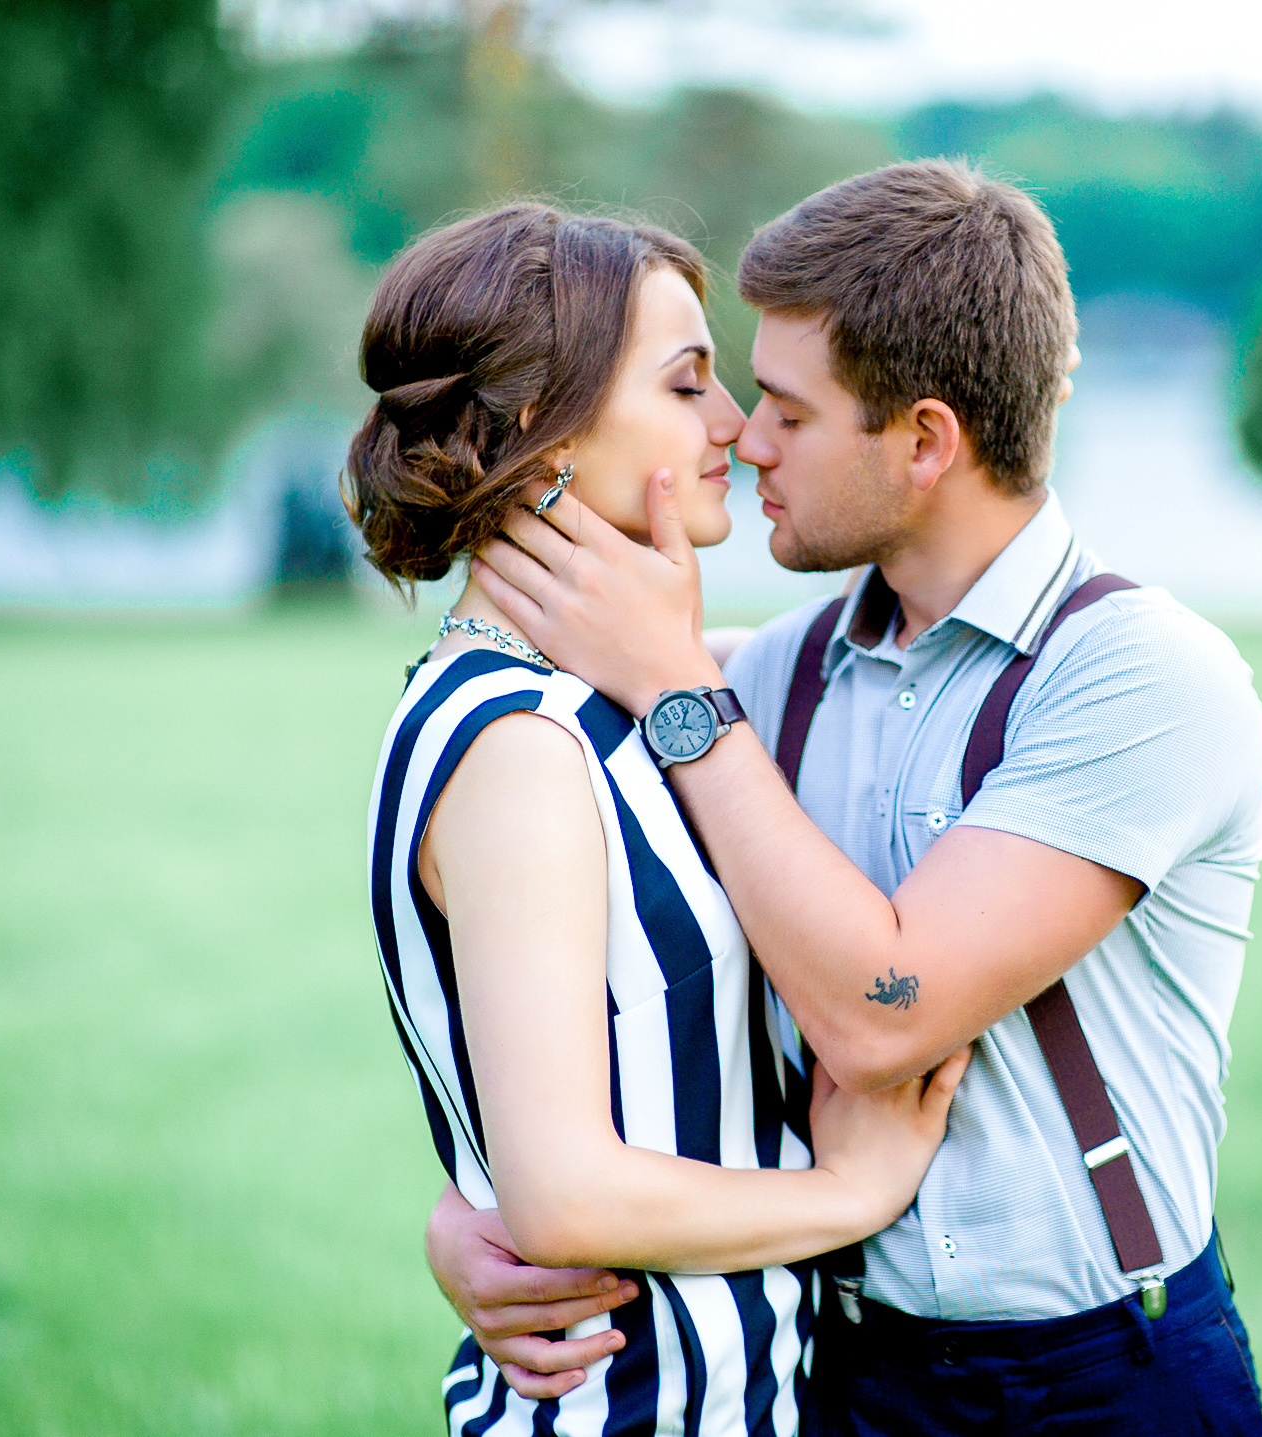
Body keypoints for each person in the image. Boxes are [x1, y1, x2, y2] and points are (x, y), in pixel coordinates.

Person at [431, 161, 1262, 1435]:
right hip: (838, 1369)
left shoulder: (1147, 680)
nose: (742, 436)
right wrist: (480, 1220)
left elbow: (889, 1015)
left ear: (925, 441)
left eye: (787, 410)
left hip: (1107, 1381)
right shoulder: (767, 680)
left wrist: (674, 681)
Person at [352, 202, 968, 1437]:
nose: (736, 428)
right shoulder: (519, 745)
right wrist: (849, 1193)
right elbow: (564, 1194)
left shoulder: (622, 700)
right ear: (544, 429)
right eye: (690, 386)